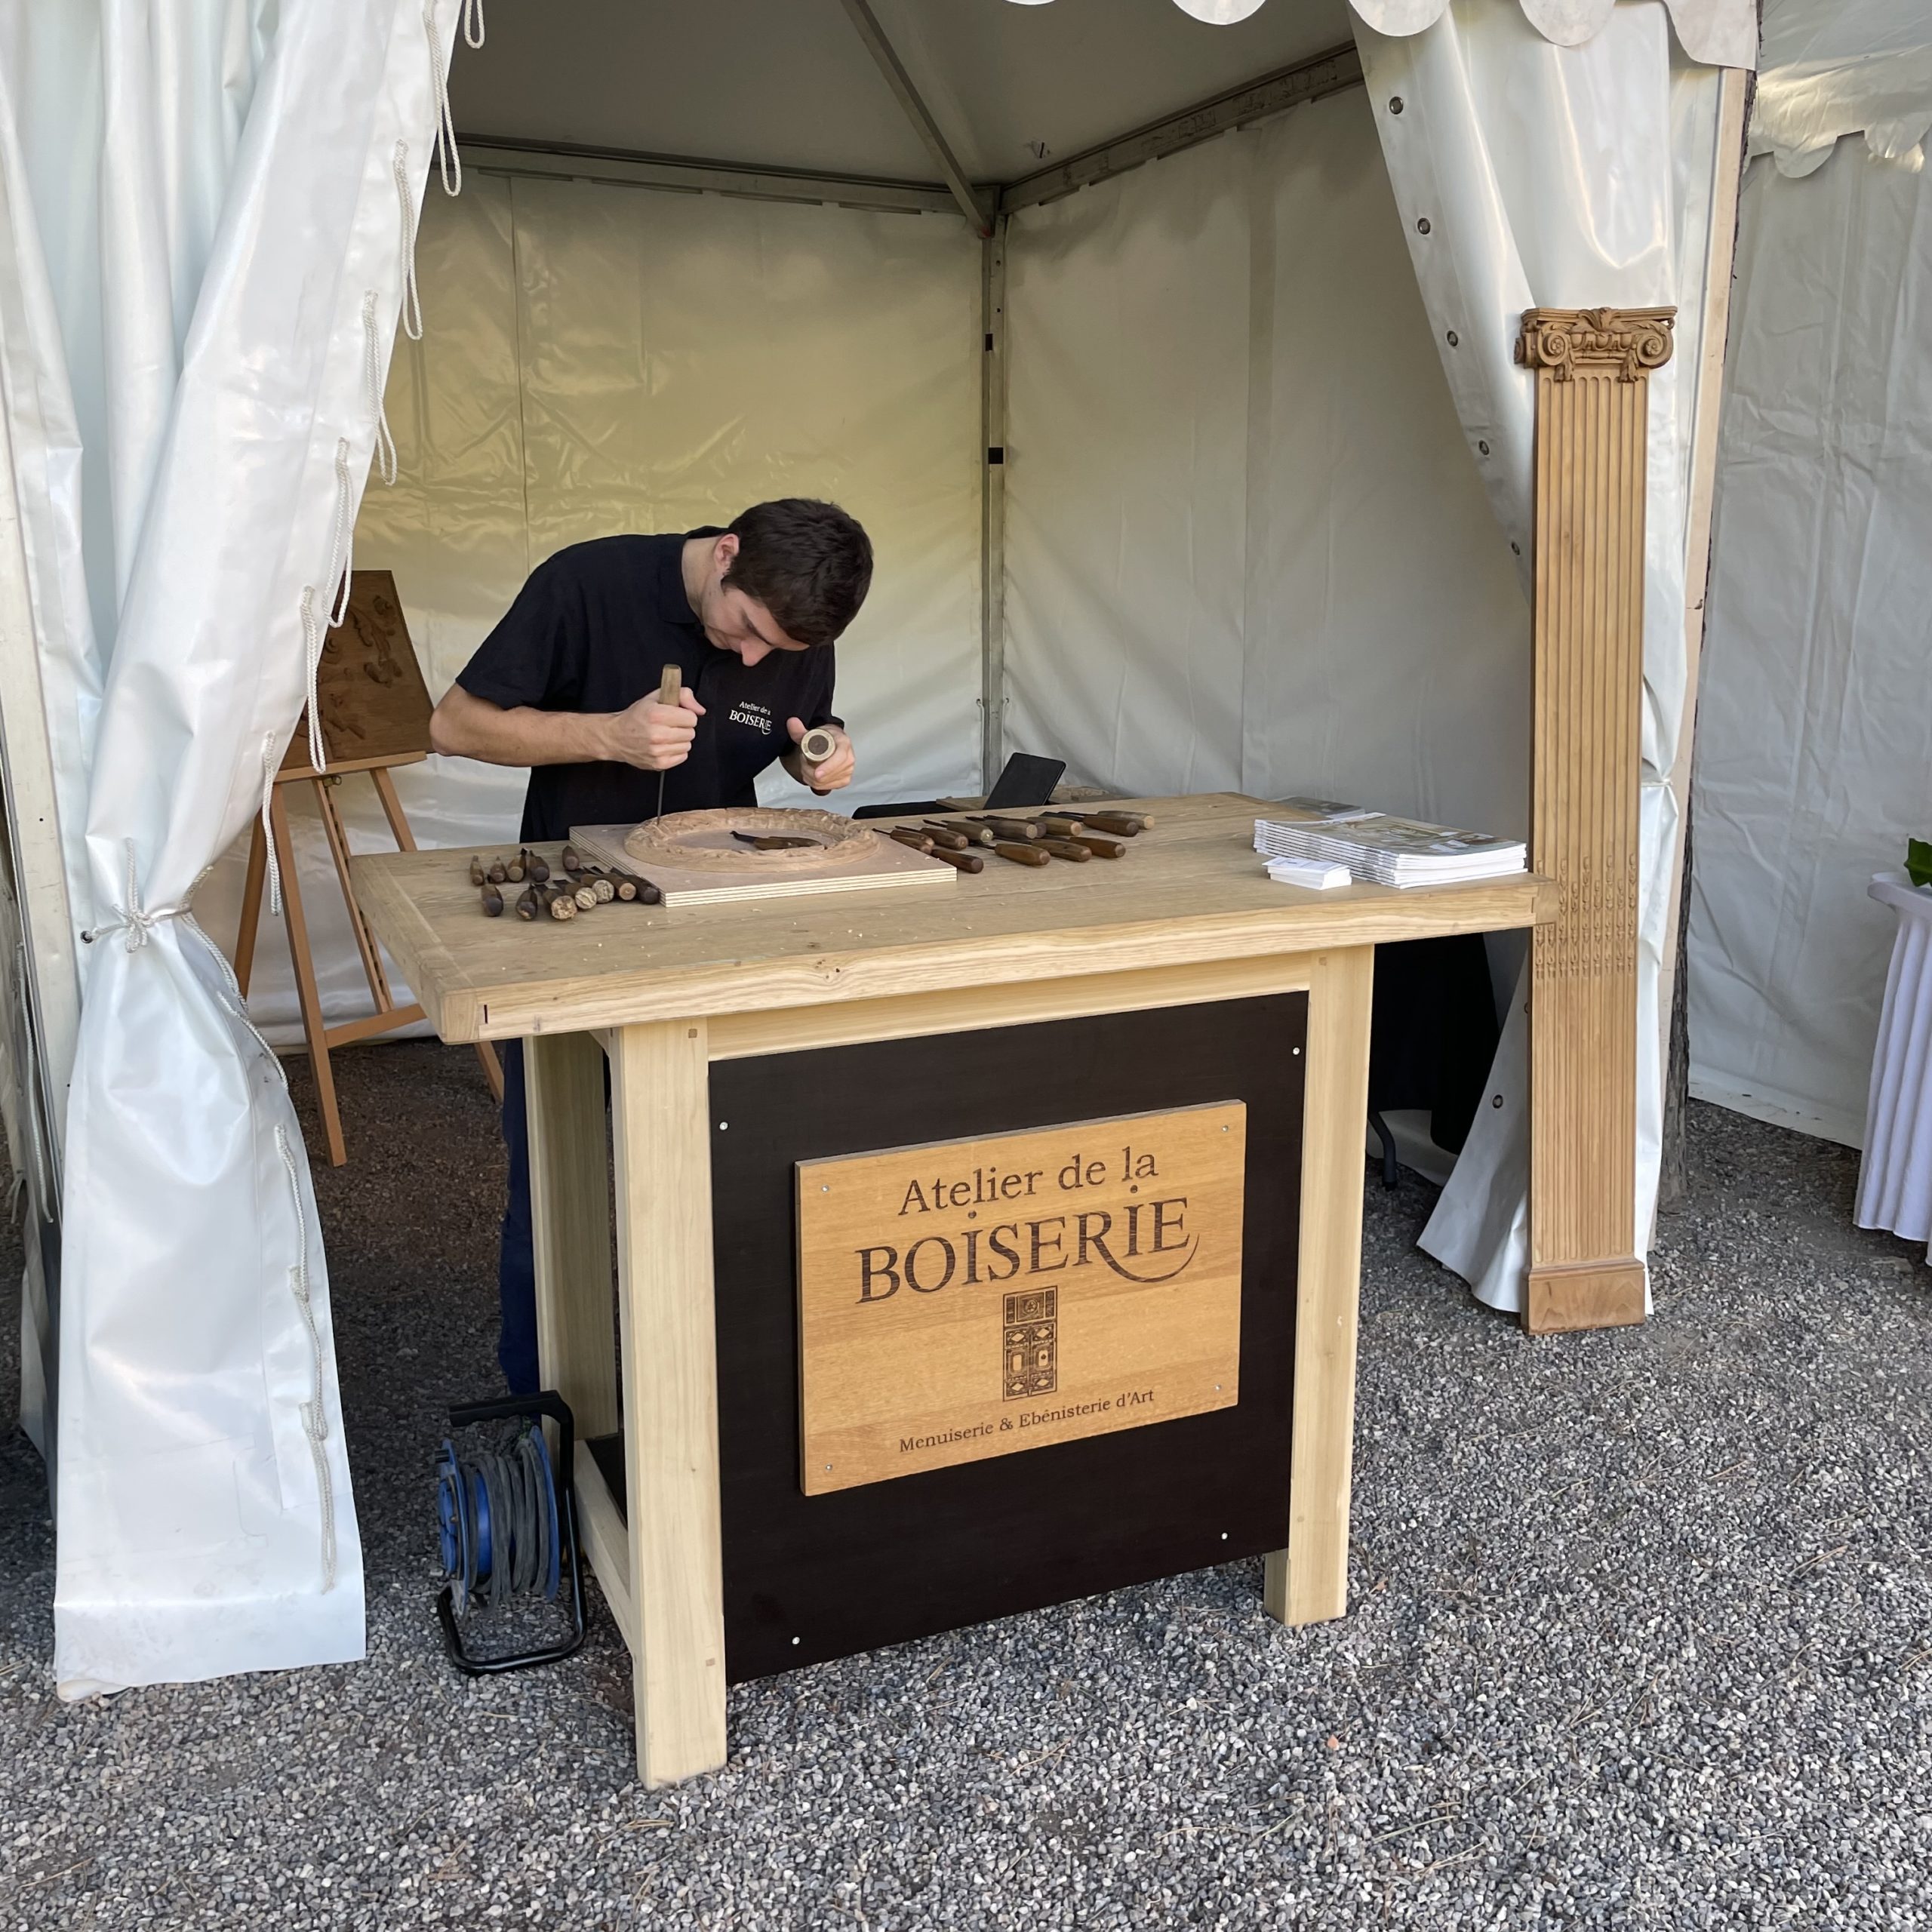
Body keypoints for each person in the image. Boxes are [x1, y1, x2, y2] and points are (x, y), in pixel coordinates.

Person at [430, 499, 872, 1391]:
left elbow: (783, 732)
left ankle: (724, 1383)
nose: (754, 658)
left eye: (776, 651)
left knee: (728, 1158)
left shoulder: (793, 628)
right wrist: (607, 735)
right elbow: (453, 725)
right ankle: (542, 1399)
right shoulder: (585, 582)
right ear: (724, 554)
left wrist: (816, 758)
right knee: (555, 1177)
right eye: (746, 629)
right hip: (577, 915)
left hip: (725, 919)